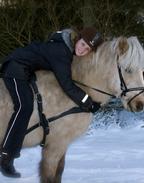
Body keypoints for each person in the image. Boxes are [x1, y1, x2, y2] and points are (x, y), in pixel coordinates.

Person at [0, 27, 103, 178]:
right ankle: (5, 157)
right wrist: (88, 102)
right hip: (16, 68)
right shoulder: (62, 51)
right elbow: (67, 84)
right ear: (78, 38)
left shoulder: (65, 47)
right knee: (24, 106)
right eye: (82, 44)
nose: (82, 50)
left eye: (87, 49)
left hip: (25, 72)